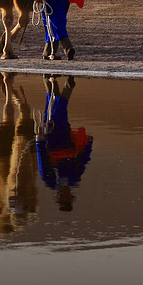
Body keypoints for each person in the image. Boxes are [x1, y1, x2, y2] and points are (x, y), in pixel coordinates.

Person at [35, 75, 92, 212]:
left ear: (59, 198)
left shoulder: (51, 181)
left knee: (51, 107)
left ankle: (57, 82)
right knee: (59, 111)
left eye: (63, 198)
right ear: (71, 196)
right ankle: (57, 82)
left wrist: (39, 141)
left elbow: (42, 160)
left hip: (51, 138)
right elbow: (82, 160)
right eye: (68, 197)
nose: (66, 195)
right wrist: (88, 144)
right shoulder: (74, 178)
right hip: (65, 139)